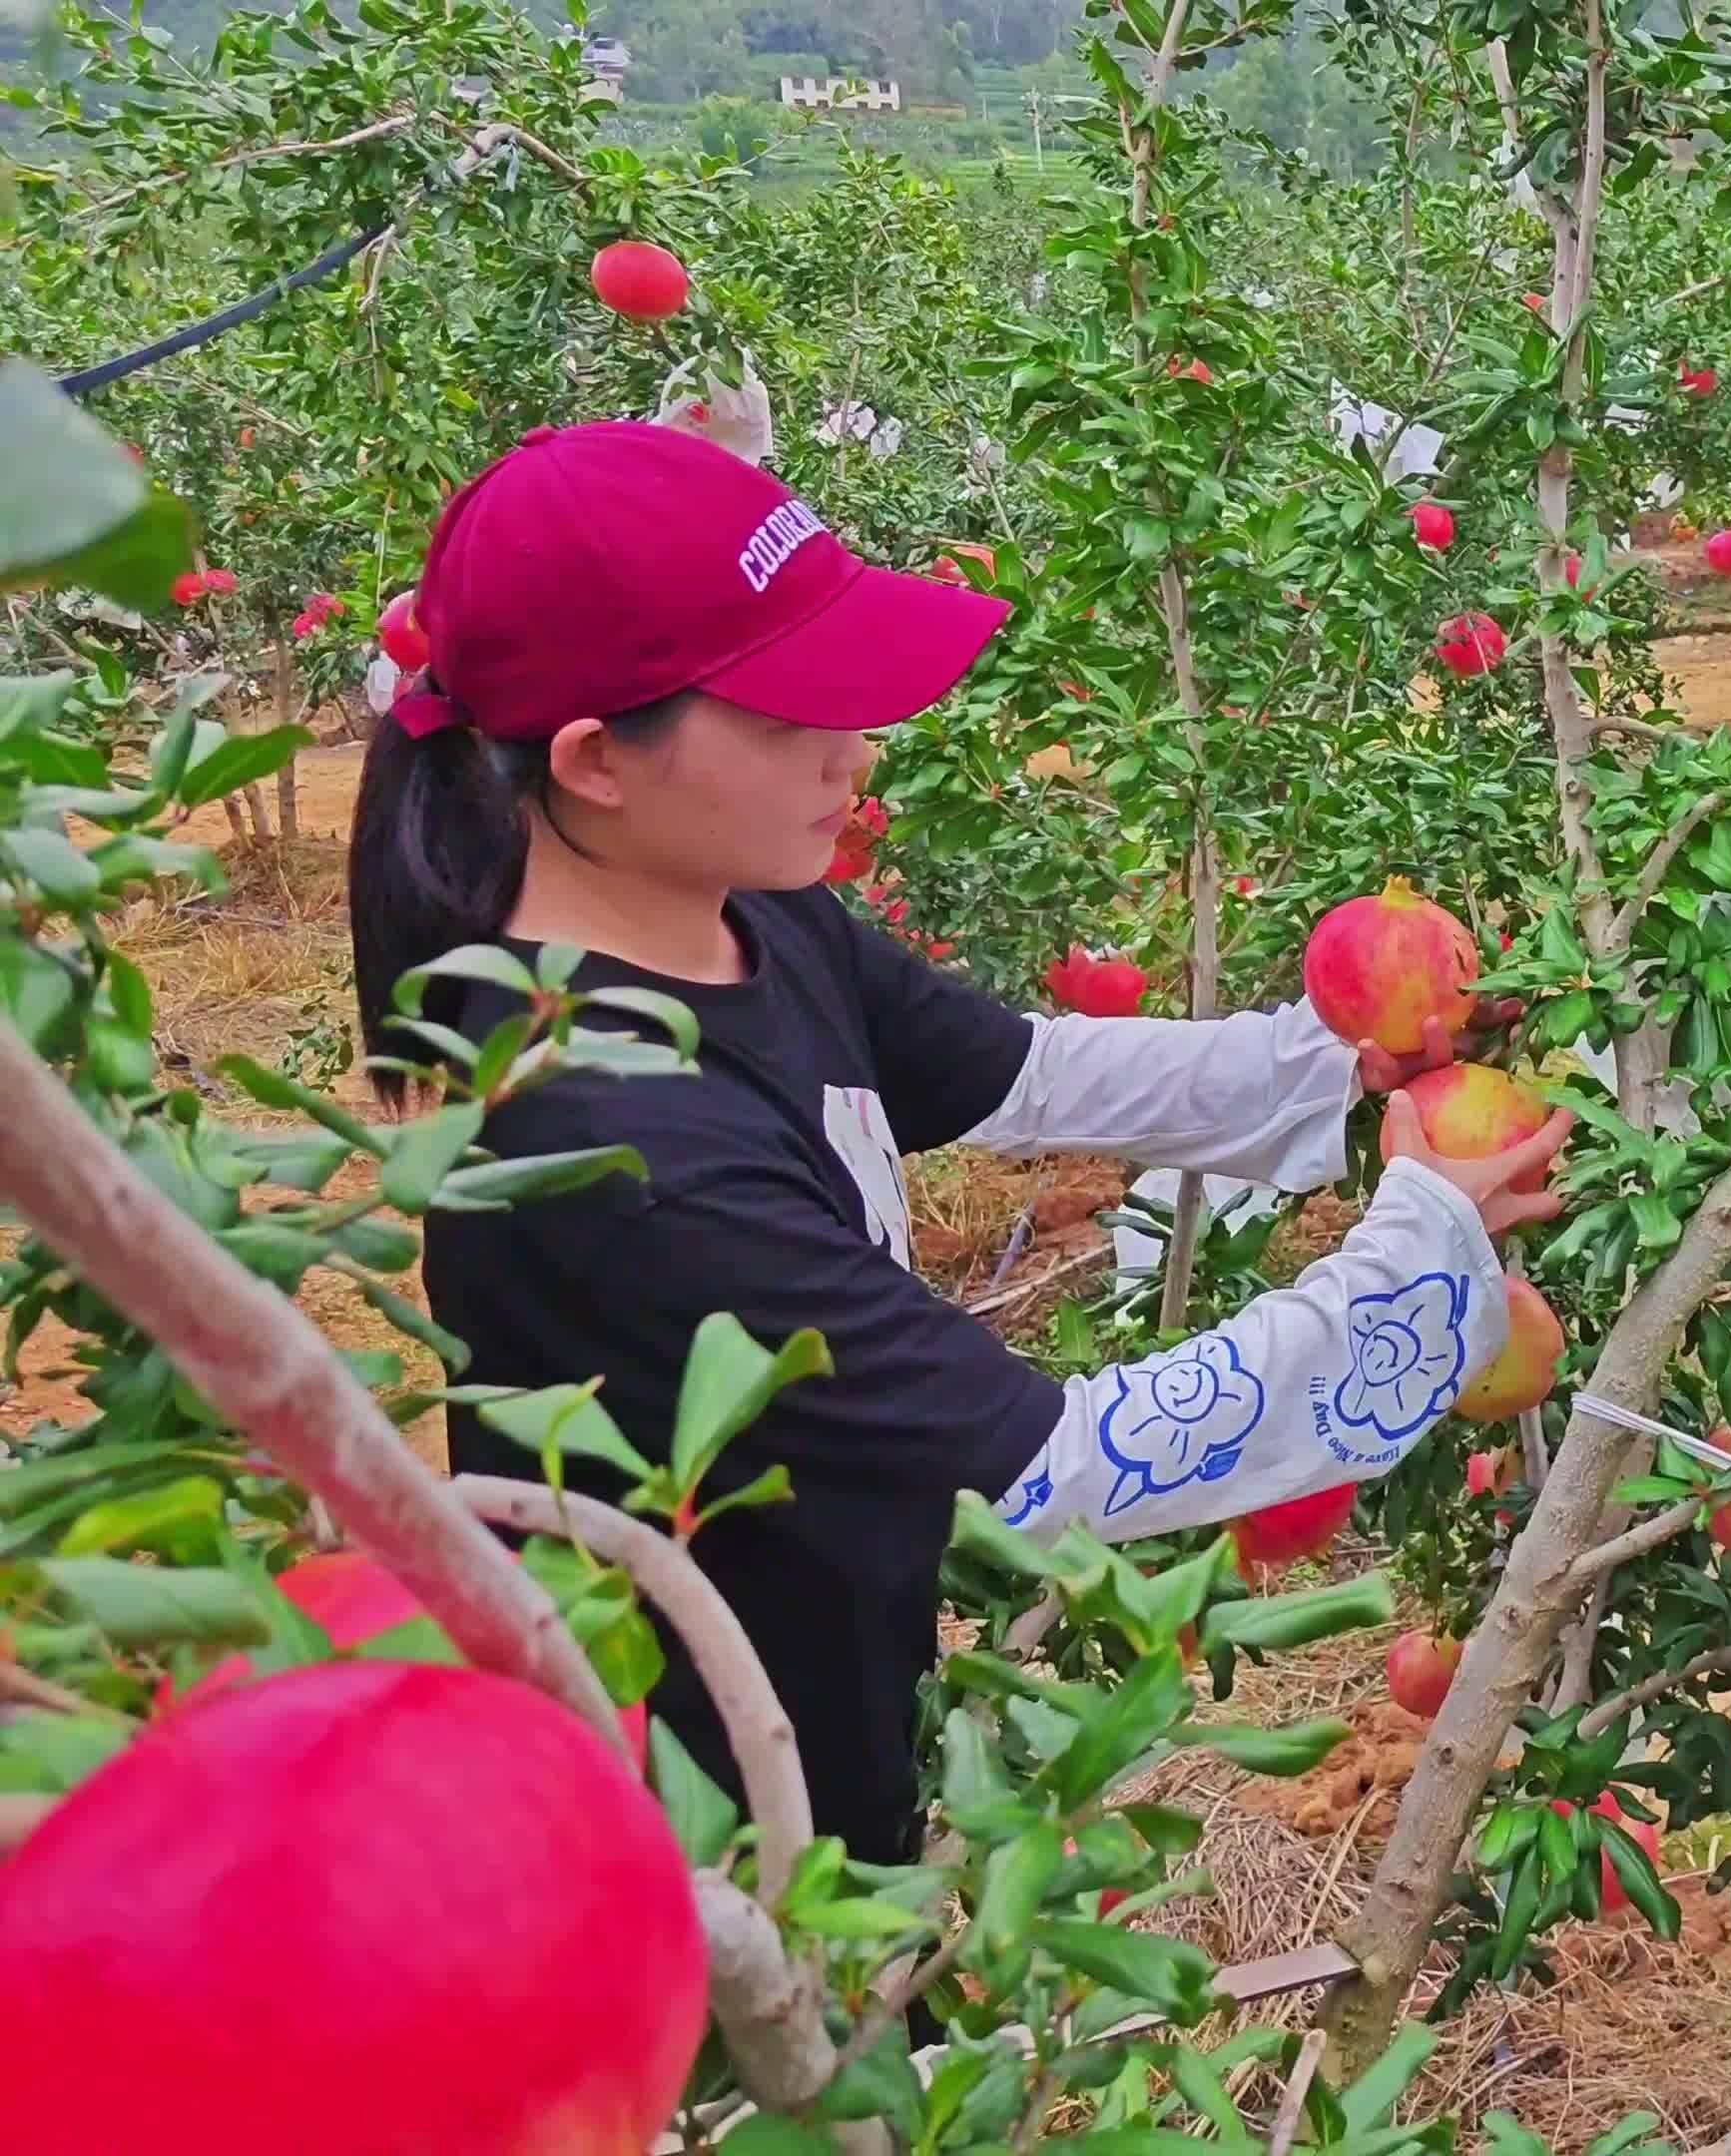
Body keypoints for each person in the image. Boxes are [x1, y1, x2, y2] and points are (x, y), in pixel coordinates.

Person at [343, 420, 1571, 1870]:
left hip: (833, 1697)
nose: (855, 754)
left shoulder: (747, 908)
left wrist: (1335, 1056)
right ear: (599, 760)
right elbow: (1056, 1462)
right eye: (792, 716)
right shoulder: (602, 1140)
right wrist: (1415, 1246)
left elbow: (1034, 1072)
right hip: (688, 1827)